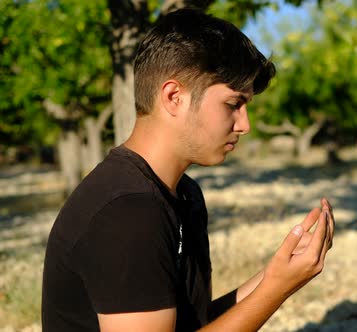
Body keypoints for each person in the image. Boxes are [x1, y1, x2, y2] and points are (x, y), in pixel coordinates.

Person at [41, 8, 335, 332]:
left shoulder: (183, 193)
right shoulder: (127, 212)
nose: (245, 124)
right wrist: (275, 289)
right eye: (233, 104)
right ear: (174, 97)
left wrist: (277, 274)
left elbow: (189, 323)